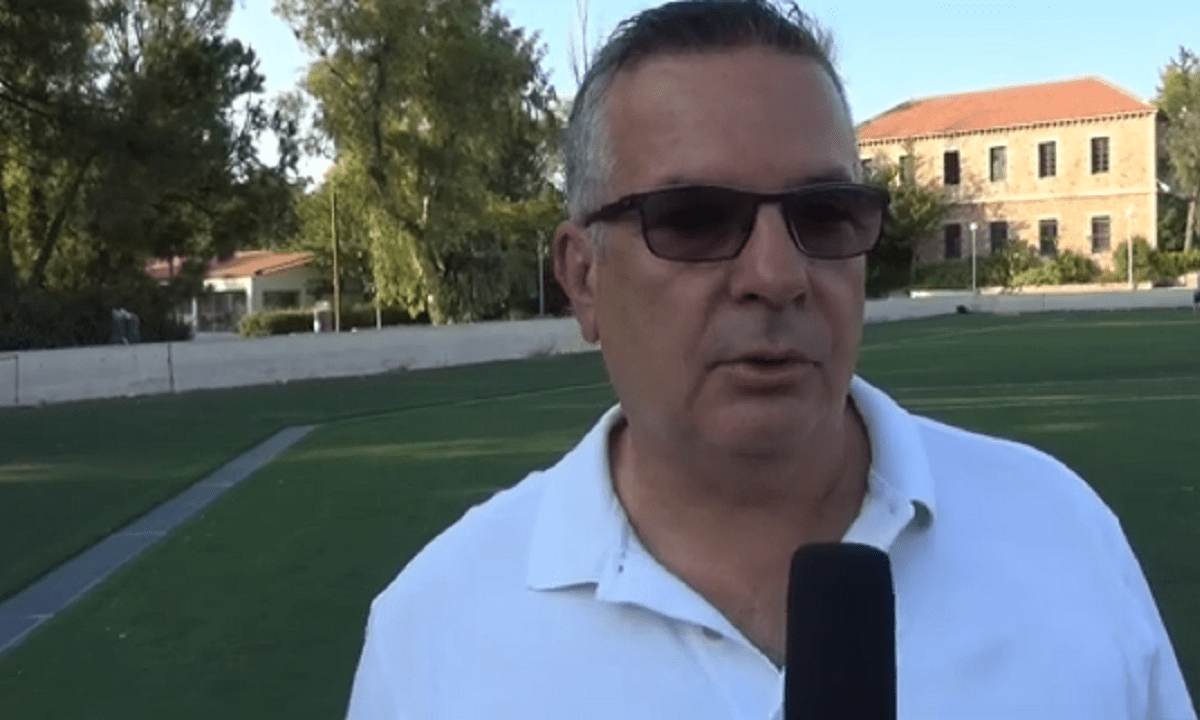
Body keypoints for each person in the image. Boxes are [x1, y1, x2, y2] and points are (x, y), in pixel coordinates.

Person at [346, 2, 1197, 718]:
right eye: (693, 218)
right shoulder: (433, 633)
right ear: (583, 278)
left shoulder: (1061, 536)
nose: (777, 275)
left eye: (823, 215)